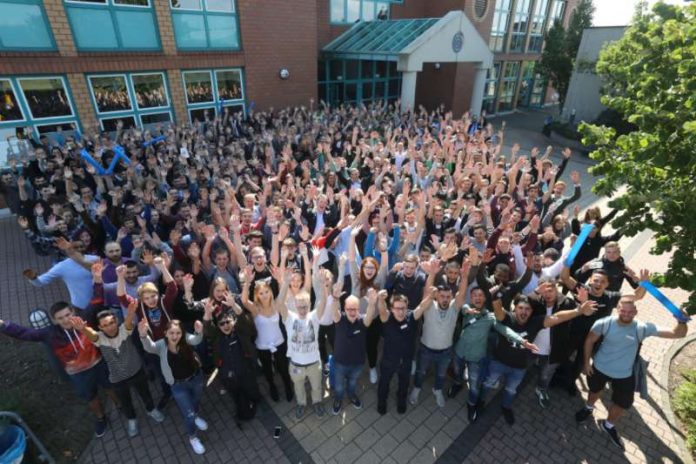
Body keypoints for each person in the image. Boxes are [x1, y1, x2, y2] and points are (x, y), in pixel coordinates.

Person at [575, 296, 688, 450]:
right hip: (600, 368)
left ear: (635, 311)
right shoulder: (604, 323)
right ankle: (589, 407)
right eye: (623, 310)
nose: (626, 314)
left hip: (624, 374)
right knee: (595, 390)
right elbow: (589, 341)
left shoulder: (641, 328)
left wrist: (681, 321)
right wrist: (587, 362)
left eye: (630, 311)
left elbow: (677, 334)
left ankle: (608, 425)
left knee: (623, 403)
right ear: (618, 310)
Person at [70, 265, 165, 437]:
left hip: (136, 371)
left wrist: (130, 312)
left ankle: (151, 410)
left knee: (145, 393)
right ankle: (132, 420)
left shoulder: (124, 331)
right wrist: (82, 329)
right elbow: (91, 335)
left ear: (116, 322)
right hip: (117, 378)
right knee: (126, 401)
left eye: (112, 322)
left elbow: (129, 322)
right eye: (105, 325)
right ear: (100, 327)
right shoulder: (101, 338)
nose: (110, 326)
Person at [0, 301, 116, 437]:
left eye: (68, 314)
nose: (66, 319)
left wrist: (97, 280)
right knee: (91, 397)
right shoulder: (50, 334)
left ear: (73, 312)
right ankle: (101, 418)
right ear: (55, 320)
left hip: (98, 364)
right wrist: (3, 325)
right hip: (78, 374)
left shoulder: (84, 319)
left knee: (110, 386)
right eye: (60, 318)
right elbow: (25, 333)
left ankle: (120, 405)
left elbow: (96, 300)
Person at [480, 294, 597, 425]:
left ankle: (506, 407)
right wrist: (494, 294)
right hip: (498, 362)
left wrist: (578, 310)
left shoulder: (535, 322)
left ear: (532, 312)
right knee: (488, 383)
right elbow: (498, 309)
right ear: (514, 309)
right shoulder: (506, 318)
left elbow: (557, 317)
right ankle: (480, 401)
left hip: (519, 368)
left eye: (528, 309)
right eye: (521, 308)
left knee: (511, 389)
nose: (524, 312)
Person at [139, 318, 207, 455]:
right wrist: (143, 335)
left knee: (195, 401)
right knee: (188, 414)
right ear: (165, 333)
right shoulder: (161, 345)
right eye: (171, 333)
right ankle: (193, 437)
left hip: (195, 378)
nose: (175, 336)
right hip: (178, 386)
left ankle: (196, 415)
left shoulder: (186, 339)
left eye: (178, 333)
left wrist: (199, 332)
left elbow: (196, 340)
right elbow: (149, 347)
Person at [410, 258, 470, 408]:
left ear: (451, 297)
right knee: (421, 372)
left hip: (445, 351)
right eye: (442, 296)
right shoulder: (430, 305)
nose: (445, 299)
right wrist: (431, 273)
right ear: (437, 296)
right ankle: (416, 389)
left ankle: (437, 390)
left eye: (448, 297)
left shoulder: (454, 307)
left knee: (441, 375)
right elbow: (427, 291)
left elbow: (462, 293)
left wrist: (464, 276)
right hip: (425, 349)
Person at [202, 296, 261, 426]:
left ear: (233, 322)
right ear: (218, 326)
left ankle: (256, 400)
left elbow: (242, 318)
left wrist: (234, 305)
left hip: (246, 371)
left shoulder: (241, 331)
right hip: (228, 375)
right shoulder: (217, 336)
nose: (225, 325)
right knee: (236, 394)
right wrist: (207, 312)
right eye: (222, 323)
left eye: (228, 322)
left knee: (252, 390)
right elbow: (207, 327)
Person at [279, 266, 329, 418]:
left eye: (305, 306)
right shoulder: (290, 318)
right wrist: (285, 282)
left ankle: (317, 402)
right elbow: (280, 303)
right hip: (296, 365)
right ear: (295, 306)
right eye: (300, 306)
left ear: (309, 305)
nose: (302, 309)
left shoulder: (314, 317)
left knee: (316, 387)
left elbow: (323, 301)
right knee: (298, 387)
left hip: (314, 363)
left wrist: (323, 285)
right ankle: (301, 404)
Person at [240, 265, 294, 402]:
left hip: (279, 343)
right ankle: (272, 386)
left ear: (270, 292)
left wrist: (285, 280)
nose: (264, 295)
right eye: (261, 293)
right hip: (262, 346)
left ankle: (288, 386)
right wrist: (247, 282)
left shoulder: (276, 304)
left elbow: (283, 291)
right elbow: (244, 301)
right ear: (257, 295)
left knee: (283, 368)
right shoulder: (255, 309)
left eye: (266, 292)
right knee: (268, 371)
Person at [330, 288, 377, 415]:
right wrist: (335, 299)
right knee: (339, 387)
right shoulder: (339, 320)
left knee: (352, 383)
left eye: (355, 309)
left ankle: (351, 396)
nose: (352, 312)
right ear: (344, 309)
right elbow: (334, 311)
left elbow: (370, 315)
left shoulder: (362, 321)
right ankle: (338, 399)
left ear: (358, 309)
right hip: (340, 363)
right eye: (349, 309)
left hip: (357, 363)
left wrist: (372, 304)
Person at [375, 291, 418, 415]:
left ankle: (401, 400)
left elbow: (422, 306)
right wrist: (381, 300)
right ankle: (382, 402)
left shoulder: (412, 316)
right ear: (392, 309)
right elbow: (382, 311)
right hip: (388, 361)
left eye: (403, 308)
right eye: (397, 308)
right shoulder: (387, 318)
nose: (400, 311)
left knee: (404, 383)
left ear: (407, 307)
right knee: (384, 383)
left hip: (406, 361)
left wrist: (431, 295)